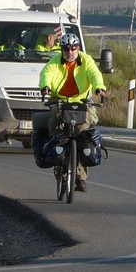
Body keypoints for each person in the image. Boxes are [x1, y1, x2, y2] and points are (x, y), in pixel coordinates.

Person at [32, 33, 106, 192]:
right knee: (55, 122)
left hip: (80, 103)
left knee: (85, 134)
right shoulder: (55, 61)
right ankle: (55, 150)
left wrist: (99, 88)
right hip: (59, 101)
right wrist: (45, 87)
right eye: (66, 49)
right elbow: (47, 74)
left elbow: (95, 74)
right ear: (62, 49)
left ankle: (81, 177)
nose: (70, 52)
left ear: (78, 48)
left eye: (73, 48)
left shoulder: (86, 60)